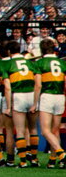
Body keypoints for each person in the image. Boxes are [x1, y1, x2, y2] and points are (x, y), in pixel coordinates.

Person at [3, 41, 39, 168]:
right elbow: (38, 84)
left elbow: (7, 88)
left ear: (8, 52)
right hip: (31, 94)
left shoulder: (8, 64)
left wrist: (8, 106)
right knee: (33, 128)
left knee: (20, 131)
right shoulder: (31, 63)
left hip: (18, 95)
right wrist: (35, 101)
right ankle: (34, 159)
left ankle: (23, 161)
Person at [31, 38, 64, 168]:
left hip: (47, 96)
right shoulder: (61, 62)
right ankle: (53, 160)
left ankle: (61, 154)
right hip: (60, 96)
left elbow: (38, 85)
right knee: (55, 131)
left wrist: (34, 103)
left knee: (45, 131)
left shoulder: (39, 63)